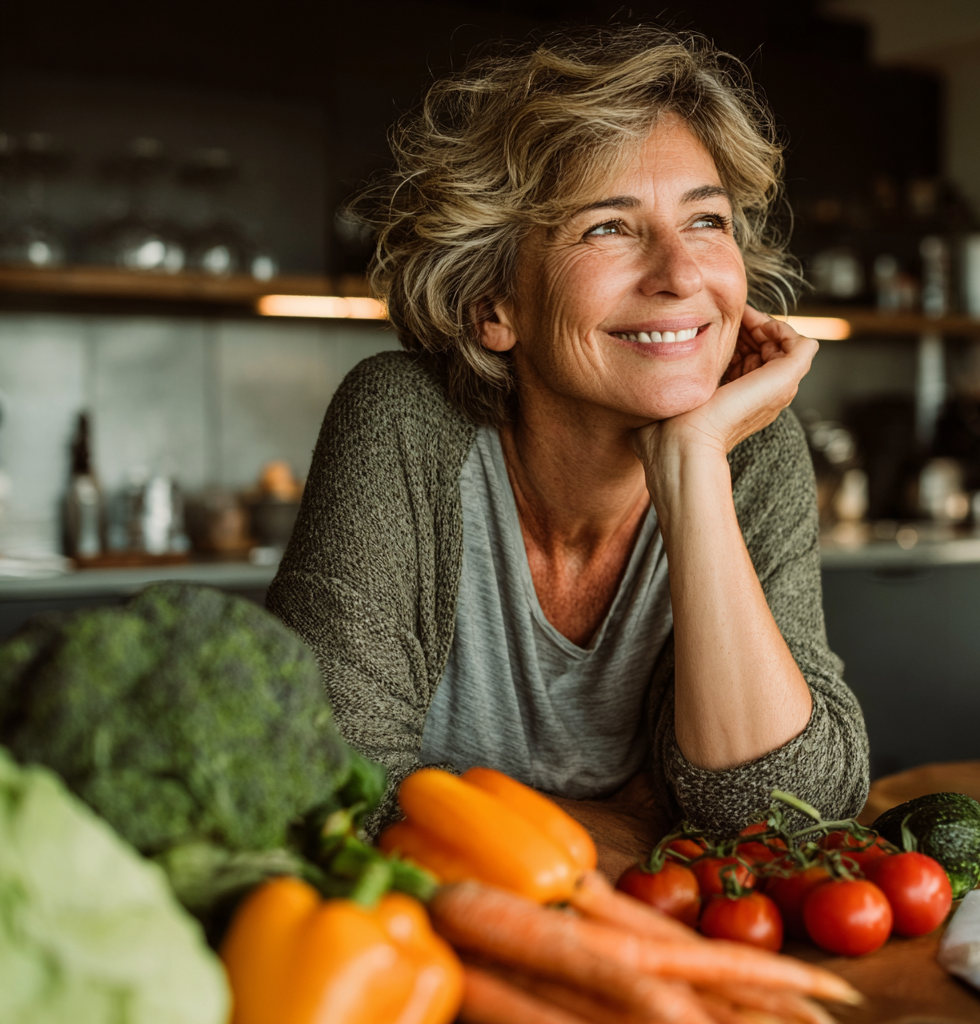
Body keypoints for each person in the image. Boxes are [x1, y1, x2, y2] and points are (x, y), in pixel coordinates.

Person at [268, 23, 869, 838]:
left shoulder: (754, 448)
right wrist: (603, 824)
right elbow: (320, 786)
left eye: (707, 221)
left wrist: (693, 467)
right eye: (608, 228)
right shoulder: (402, 419)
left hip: (664, 942)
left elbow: (790, 814)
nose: (682, 274)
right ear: (494, 306)